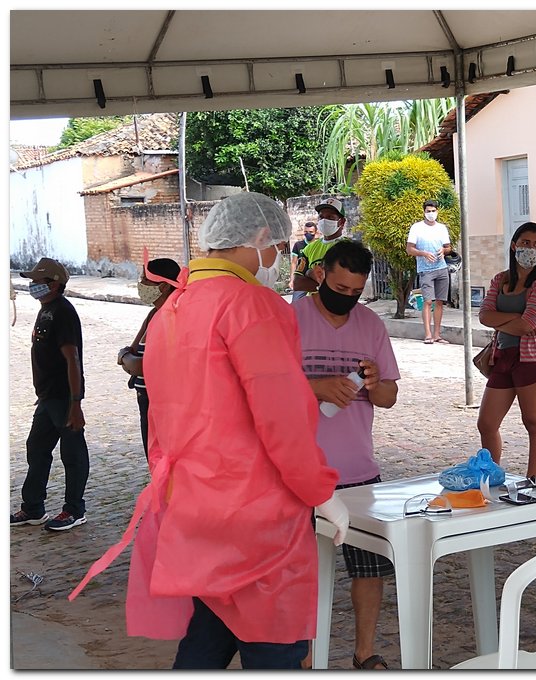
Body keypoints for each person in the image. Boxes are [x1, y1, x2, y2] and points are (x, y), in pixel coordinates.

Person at [69, 192, 348, 670]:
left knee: (210, 628)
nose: (278, 258)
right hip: (255, 513)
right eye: (278, 246)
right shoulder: (252, 305)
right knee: (273, 644)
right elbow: (282, 414)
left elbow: (160, 417)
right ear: (260, 239)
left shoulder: (174, 307)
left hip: (194, 502)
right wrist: (320, 491)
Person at [293, 239, 400, 670]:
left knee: (369, 569)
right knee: (301, 572)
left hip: (358, 470)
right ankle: (302, 658)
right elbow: (260, 389)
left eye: (356, 292)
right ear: (321, 275)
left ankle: (364, 651)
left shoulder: (371, 326)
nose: (347, 298)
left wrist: (375, 383)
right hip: (298, 471)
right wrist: (315, 387)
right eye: (339, 287)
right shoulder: (289, 319)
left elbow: (390, 396)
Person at [10, 257, 90, 531]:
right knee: (37, 448)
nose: (32, 286)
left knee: (73, 454)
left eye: (37, 282)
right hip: (47, 398)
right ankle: (33, 507)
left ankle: (74, 510)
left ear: (54, 285)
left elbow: (72, 359)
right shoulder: (46, 309)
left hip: (64, 398)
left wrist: (75, 403)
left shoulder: (62, 312)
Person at [477, 222, 536, 479]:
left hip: (533, 359)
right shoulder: (500, 279)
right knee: (487, 423)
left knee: (532, 421)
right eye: (525, 243)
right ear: (514, 245)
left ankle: (532, 478)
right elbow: (484, 316)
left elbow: (526, 325)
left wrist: (509, 320)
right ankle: (492, 474)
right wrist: (516, 317)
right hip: (502, 356)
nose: (531, 249)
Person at [117, 257, 180, 461]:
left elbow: (138, 364)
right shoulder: (154, 313)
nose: (141, 285)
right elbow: (132, 351)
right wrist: (128, 357)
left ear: (162, 286)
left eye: (145, 280)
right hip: (146, 398)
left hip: (164, 402)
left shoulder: (173, 315)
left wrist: (126, 357)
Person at [406, 199, 452, 343]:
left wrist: (443, 250)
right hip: (426, 270)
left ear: (437, 211)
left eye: (433, 211)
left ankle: (437, 334)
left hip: (441, 268)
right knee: (427, 301)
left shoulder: (442, 228)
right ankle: (428, 334)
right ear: (424, 212)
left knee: (440, 302)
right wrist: (424, 254)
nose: (431, 214)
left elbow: (449, 247)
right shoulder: (417, 228)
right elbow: (409, 249)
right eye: (428, 211)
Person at [293, 198, 347, 296]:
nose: (324, 221)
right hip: (312, 306)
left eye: (330, 217)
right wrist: (325, 282)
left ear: (341, 222)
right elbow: (297, 284)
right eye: (321, 217)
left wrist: (309, 273)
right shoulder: (308, 249)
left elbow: (344, 284)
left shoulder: (348, 248)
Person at [290, 221, 318, 302]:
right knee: (295, 304)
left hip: (315, 279)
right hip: (301, 278)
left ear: (315, 232)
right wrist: (292, 279)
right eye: (306, 232)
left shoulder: (319, 245)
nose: (308, 234)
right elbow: (294, 263)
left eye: (311, 232)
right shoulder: (298, 245)